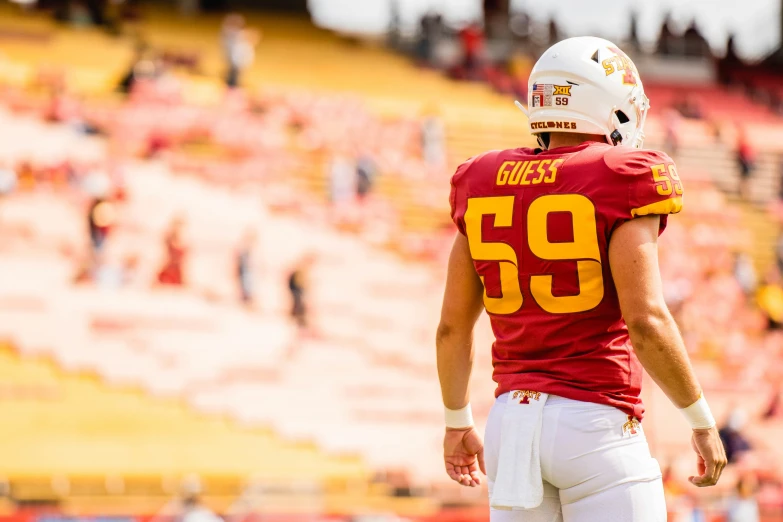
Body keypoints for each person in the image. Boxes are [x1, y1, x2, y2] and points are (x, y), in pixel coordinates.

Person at [436, 37, 726, 521]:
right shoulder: (623, 174)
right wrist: (700, 420)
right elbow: (647, 320)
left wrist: (454, 421)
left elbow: (451, 327)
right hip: (595, 421)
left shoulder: (481, 179)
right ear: (608, 105)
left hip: (511, 421)